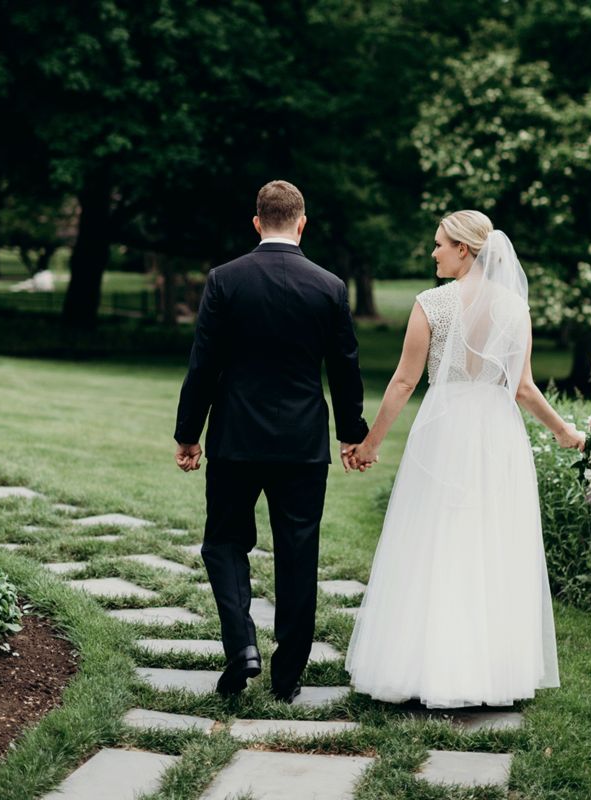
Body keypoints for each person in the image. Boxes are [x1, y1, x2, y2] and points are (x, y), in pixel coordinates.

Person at [345, 210, 585, 708]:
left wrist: (371, 444)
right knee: (488, 540)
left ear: (464, 249)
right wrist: (563, 431)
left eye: (439, 244)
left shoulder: (432, 304)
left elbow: (405, 383)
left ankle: (424, 666)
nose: (432, 252)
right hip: (497, 433)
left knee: (435, 537)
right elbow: (522, 388)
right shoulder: (514, 308)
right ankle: (489, 673)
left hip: (446, 429)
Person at [174, 180, 369, 703]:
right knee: (299, 552)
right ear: (300, 223)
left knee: (223, 543)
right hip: (303, 445)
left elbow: (204, 365)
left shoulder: (225, 280)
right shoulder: (329, 286)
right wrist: (352, 433)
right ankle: (287, 677)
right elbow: (345, 369)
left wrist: (188, 434)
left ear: (257, 222)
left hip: (236, 439)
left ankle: (241, 647)